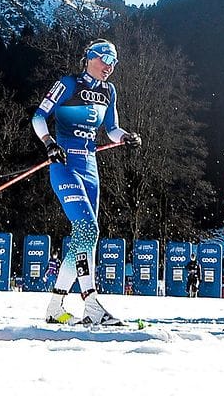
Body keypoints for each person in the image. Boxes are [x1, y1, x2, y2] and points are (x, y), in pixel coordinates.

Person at [32, 38, 142, 326]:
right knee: (87, 229)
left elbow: (112, 129)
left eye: (114, 62)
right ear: (90, 57)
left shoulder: (109, 91)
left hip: (90, 167)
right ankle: (91, 304)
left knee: (86, 237)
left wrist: (126, 137)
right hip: (65, 165)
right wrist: (49, 143)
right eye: (105, 59)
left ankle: (55, 306)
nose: (110, 66)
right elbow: (38, 116)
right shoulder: (68, 84)